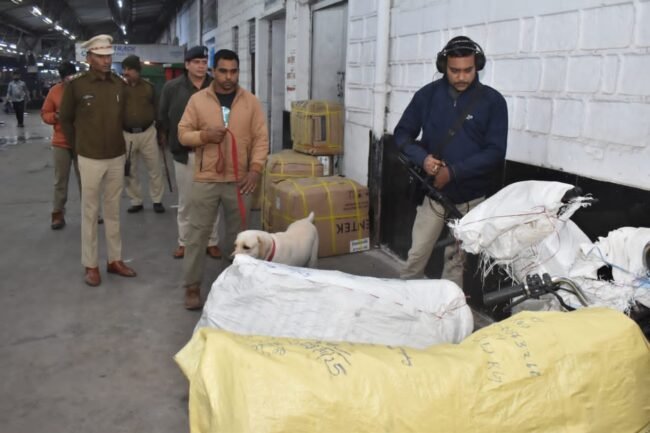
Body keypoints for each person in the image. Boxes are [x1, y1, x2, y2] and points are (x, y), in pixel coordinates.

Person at [395, 36, 508, 286]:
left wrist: (453, 172)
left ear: (477, 66)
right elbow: (402, 134)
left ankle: (449, 306)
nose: (461, 77)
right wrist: (423, 159)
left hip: (471, 198)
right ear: (443, 66)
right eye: (454, 70)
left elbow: (495, 152)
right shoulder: (426, 96)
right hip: (433, 193)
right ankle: (404, 299)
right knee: (417, 255)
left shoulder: (493, 102)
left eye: (468, 70)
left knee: (456, 262)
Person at [178, 49, 269, 309]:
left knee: (239, 238)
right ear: (213, 71)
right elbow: (183, 133)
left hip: (241, 181)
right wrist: (204, 136)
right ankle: (192, 286)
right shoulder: (198, 100)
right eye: (223, 71)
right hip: (206, 178)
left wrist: (255, 169)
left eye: (233, 71)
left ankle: (234, 284)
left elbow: (261, 139)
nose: (229, 77)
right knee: (197, 234)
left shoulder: (251, 102)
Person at [59, 34, 137, 286]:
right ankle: (90, 265)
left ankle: (115, 260)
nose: (106, 60)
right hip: (89, 157)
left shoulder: (118, 84)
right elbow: (65, 119)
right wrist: (78, 146)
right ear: (89, 57)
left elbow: (124, 117)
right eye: (101, 56)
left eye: (109, 56)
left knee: (113, 210)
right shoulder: (77, 86)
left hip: (116, 155)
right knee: (90, 212)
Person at [158, 45, 223, 260]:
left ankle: (211, 241)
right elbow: (163, 117)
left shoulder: (217, 87)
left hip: (211, 153)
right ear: (187, 65)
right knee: (186, 201)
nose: (201, 66)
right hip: (185, 154)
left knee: (211, 200)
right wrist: (170, 140)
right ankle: (184, 242)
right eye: (196, 62)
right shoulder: (172, 88)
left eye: (204, 62)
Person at [121, 55, 165, 214]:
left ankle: (157, 200)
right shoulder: (119, 88)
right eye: (124, 69)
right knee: (129, 170)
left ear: (138, 71)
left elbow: (158, 109)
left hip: (148, 133)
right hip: (127, 134)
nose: (126, 72)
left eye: (130, 69)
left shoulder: (149, 87)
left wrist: (161, 132)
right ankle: (136, 201)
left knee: (154, 168)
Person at [41, 62, 81, 230]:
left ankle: (92, 212)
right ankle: (57, 214)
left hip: (81, 141)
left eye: (71, 76)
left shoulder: (83, 90)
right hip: (61, 142)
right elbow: (45, 113)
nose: (68, 80)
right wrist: (55, 117)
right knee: (60, 181)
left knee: (86, 180)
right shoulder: (54, 91)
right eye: (65, 77)